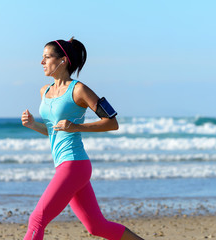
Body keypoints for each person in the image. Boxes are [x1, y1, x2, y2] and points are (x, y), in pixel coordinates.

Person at [21, 37, 144, 240]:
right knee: (96, 226)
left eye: (46, 57)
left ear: (63, 60)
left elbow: (112, 122)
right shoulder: (45, 91)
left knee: (37, 220)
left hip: (74, 164)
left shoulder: (79, 90)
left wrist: (77, 126)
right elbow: (56, 131)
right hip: (64, 165)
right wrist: (33, 125)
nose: (41, 62)